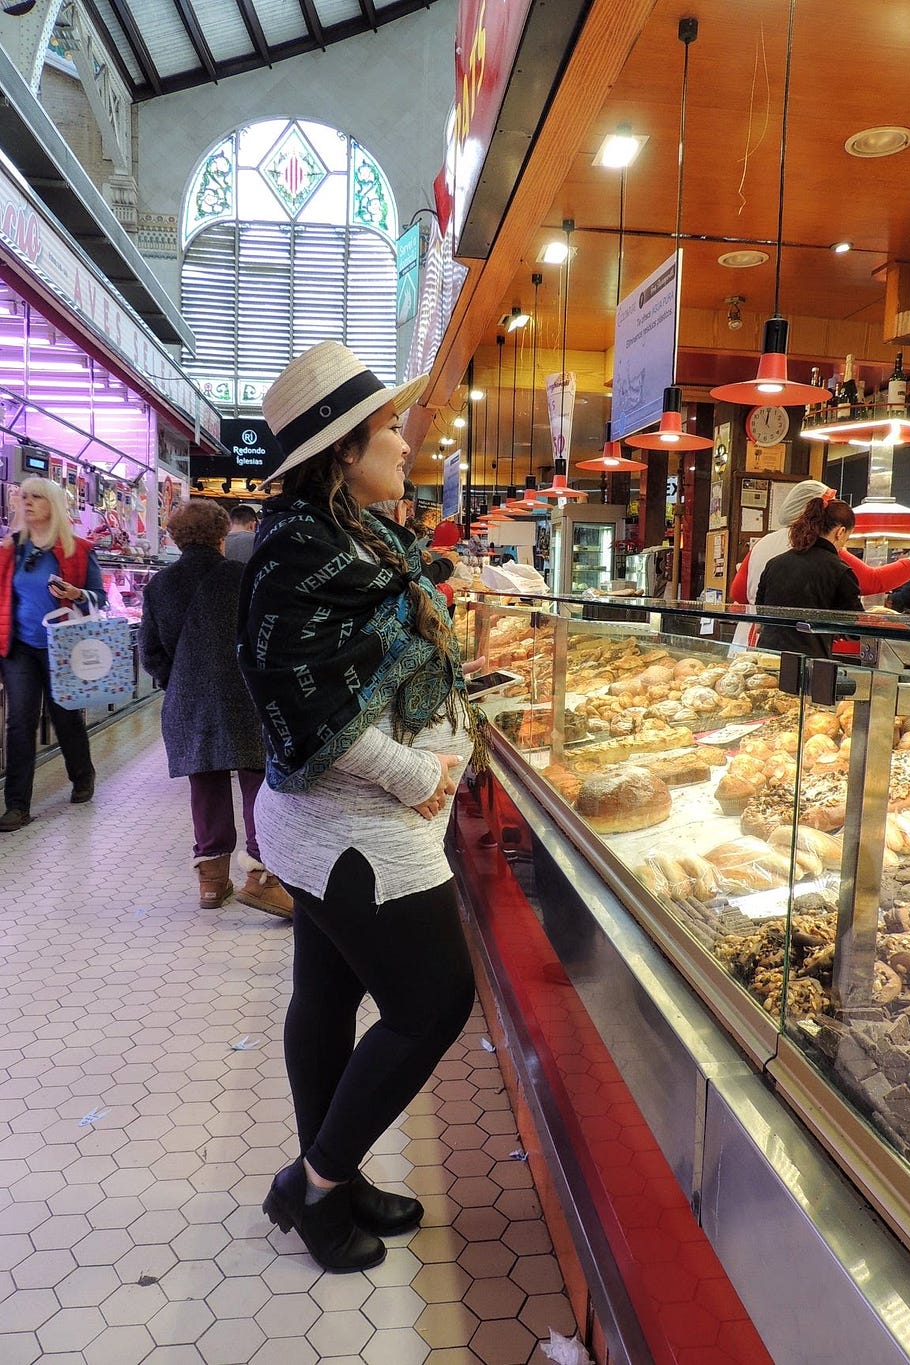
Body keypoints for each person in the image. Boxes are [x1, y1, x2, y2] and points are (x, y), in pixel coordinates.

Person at [238, 340, 481, 1274]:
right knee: (435, 998)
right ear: (342, 449)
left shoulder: (358, 539)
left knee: (330, 992)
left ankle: (326, 1171)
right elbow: (300, 696)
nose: (403, 440)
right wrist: (416, 774)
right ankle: (317, 1184)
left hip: (339, 827)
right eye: (387, 427)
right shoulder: (299, 550)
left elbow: (376, 667)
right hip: (353, 827)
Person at [139, 500, 292, 919]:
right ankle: (262, 879)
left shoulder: (159, 585)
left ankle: (211, 881)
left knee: (204, 784)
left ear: (174, 538)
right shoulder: (242, 578)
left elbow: (150, 653)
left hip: (188, 700)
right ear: (222, 536)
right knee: (256, 780)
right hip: (244, 693)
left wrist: (183, 682)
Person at [729, 479, 910, 648]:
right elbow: (874, 581)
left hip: (752, 640)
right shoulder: (822, 548)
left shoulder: (764, 543)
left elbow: (738, 593)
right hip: (802, 645)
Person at [0, 477, 106, 831]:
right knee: (20, 722)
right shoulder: (12, 547)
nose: (27, 503)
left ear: (53, 505)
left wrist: (76, 594)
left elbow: (98, 598)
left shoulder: (77, 548)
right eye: (24, 497)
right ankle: (17, 805)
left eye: (36, 498)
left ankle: (82, 775)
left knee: (66, 718)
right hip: (19, 648)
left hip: (64, 647)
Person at [755, 494, 864, 657]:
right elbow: (855, 630)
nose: (844, 544)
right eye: (847, 537)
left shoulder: (775, 564)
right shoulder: (840, 571)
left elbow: (760, 622)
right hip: (807, 664)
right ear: (840, 532)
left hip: (766, 658)